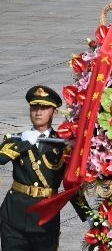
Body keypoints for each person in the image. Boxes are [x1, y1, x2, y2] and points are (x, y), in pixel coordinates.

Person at [0, 86, 92, 249]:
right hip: (14, 213)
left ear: (54, 112)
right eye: (34, 107)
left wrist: (89, 216)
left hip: (45, 216)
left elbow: (70, 184)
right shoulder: (16, 140)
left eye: (44, 108)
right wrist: (22, 144)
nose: (38, 112)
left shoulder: (64, 146)